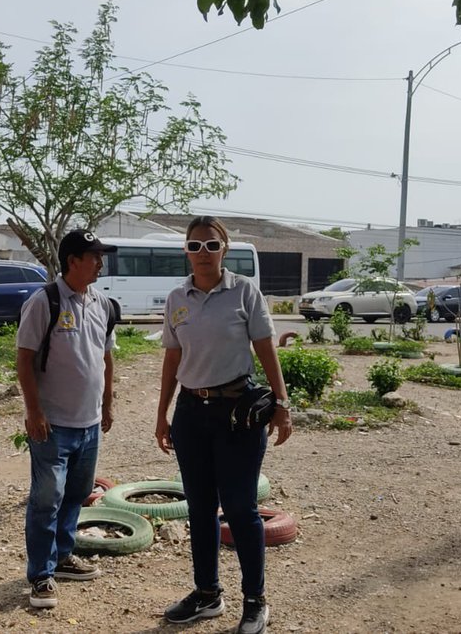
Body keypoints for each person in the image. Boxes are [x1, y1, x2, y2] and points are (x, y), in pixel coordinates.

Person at [154, 216, 292, 634]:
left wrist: (282, 403)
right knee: (199, 509)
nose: (202, 254)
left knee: (240, 509)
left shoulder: (245, 292)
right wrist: (162, 413)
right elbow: (172, 359)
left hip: (237, 413)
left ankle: (255, 601)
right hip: (192, 414)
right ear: (186, 252)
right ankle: (207, 593)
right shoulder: (178, 297)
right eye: (194, 246)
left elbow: (265, 347)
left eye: (211, 246)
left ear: (225, 249)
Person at [15, 230, 118, 609]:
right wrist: (34, 411)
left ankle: (61, 557)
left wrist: (107, 404)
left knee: (75, 494)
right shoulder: (45, 301)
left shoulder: (102, 303)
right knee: (47, 499)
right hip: (52, 424)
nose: (100, 263)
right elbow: (24, 358)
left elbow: (105, 357)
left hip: (88, 424)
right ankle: (41, 575)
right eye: (94, 256)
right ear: (73, 260)